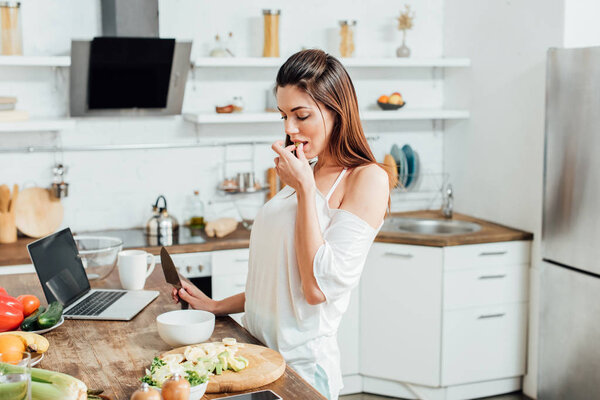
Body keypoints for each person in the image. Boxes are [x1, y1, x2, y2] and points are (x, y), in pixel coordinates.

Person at [172, 49, 394, 400]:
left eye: (301, 115)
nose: (290, 129)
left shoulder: (366, 179)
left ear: (337, 110)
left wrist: (304, 189)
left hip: (301, 372)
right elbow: (279, 283)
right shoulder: (307, 171)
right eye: (284, 116)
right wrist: (215, 306)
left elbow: (315, 288)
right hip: (256, 357)